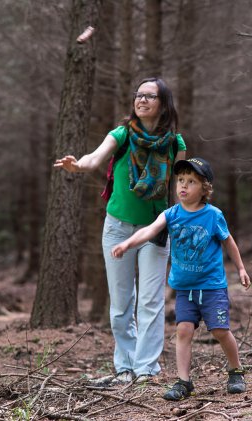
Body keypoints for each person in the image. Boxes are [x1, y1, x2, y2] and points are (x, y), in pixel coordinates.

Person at [54, 77, 186, 385]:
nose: (142, 100)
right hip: (117, 229)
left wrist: (185, 218)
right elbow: (95, 158)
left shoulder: (174, 144)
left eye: (149, 96)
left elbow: (180, 187)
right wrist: (78, 165)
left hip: (155, 228)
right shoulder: (122, 134)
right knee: (121, 303)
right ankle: (125, 367)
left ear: (163, 104)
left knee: (151, 301)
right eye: (138, 95)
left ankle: (146, 368)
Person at [111, 157, 251, 400]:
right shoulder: (171, 214)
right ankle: (184, 382)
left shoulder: (213, 215)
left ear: (204, 189)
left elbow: (228, 241)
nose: (183, 185)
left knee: (220, 330)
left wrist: (240, 269)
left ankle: (236, 370)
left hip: (211, 287)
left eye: (191, 182)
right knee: (184, 331)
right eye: (180, 180)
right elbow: (150, 230)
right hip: (185, 288)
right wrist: (127, 243)